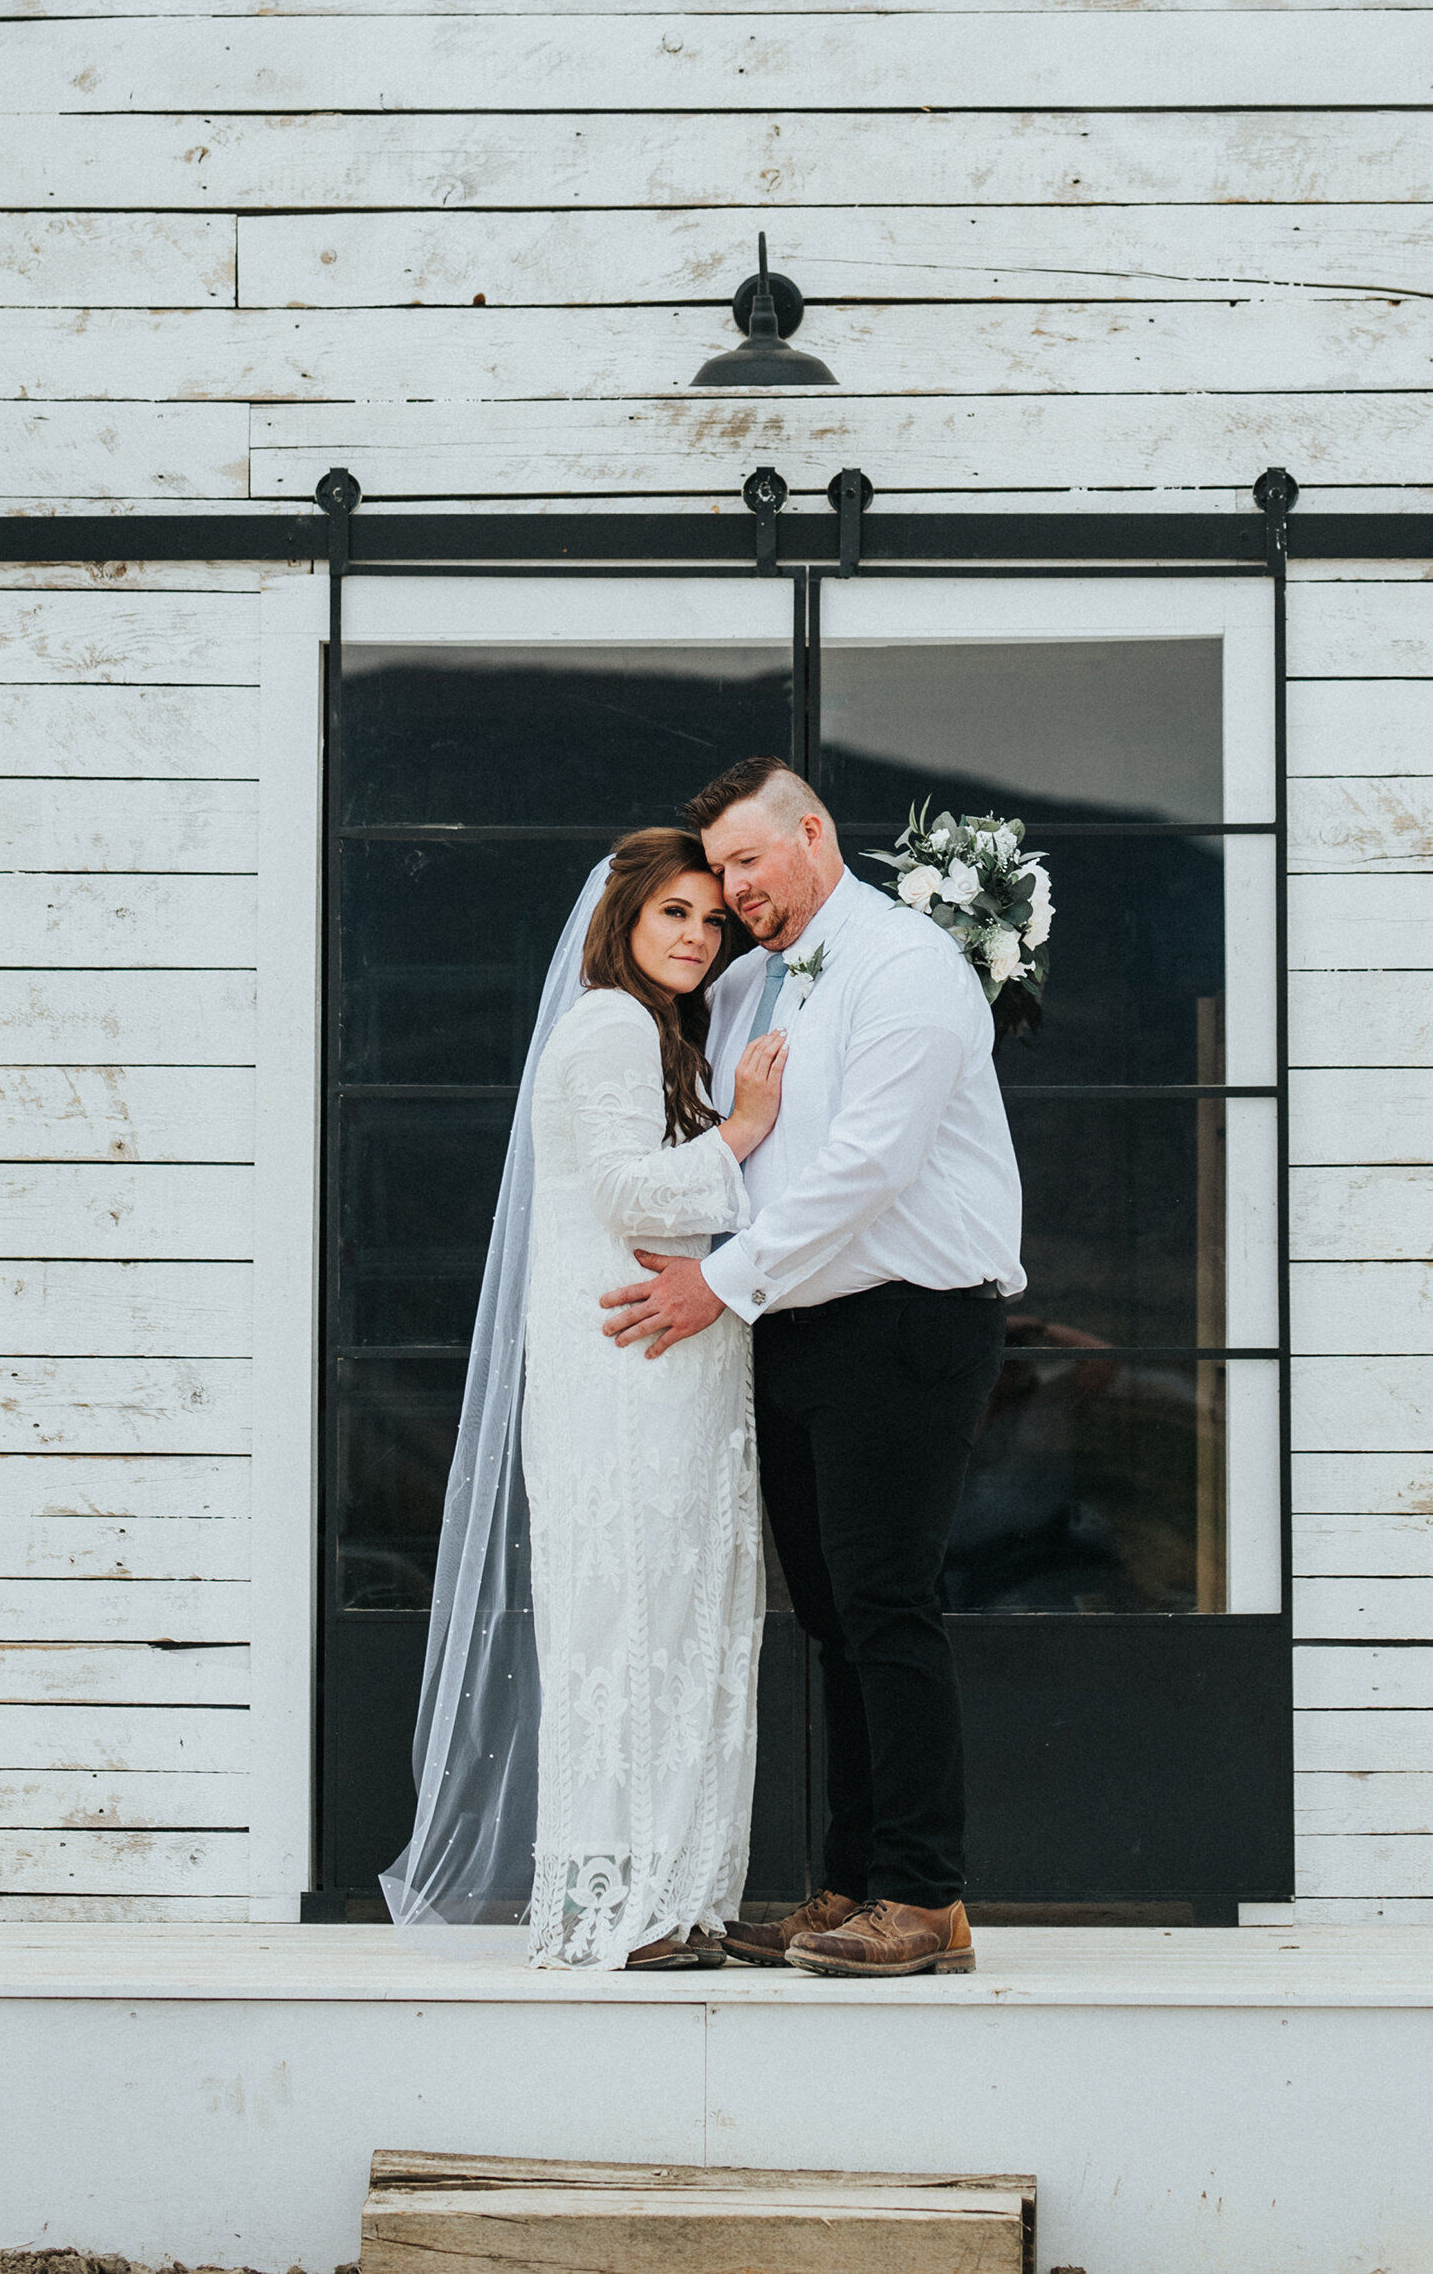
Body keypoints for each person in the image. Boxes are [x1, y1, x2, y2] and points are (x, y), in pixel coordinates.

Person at [602, 759, 1025, 1980]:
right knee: (835, 1620)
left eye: (748, 861)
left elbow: (868, 1167)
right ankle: (850, 1883)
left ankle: (927, 1896)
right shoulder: (748, 985)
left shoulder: (908, 967)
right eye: (720, 869)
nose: (733, 889)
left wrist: (715, 1282)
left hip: (909, 1320)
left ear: (811, 833)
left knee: (888, 1605)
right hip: (795, 1326)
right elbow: (731, 1145)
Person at [379, 826, 787, 1969]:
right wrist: (746, 1133)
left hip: (678, 1361)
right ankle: (620, 1903)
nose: (700, 937)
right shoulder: (610, 1022)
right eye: (676, 914)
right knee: (631, 1617)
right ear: (624, 919)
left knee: (684, 1616)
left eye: (713, 920)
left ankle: (679, 1894)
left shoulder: (665, 1037)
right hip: (625, 1369)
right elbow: (623, 1192)